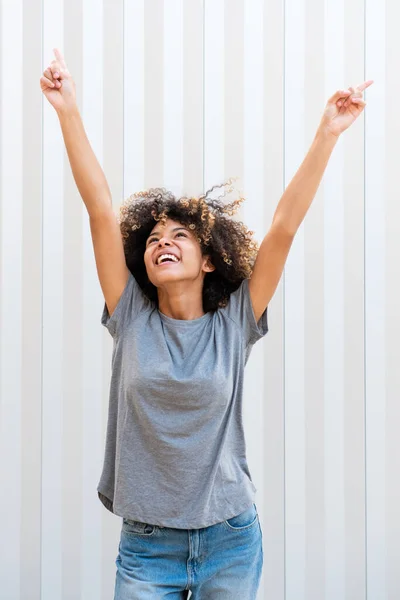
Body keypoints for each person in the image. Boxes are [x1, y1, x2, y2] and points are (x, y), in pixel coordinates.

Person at [40, 48, 373, 600]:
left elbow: (284, 228)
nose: (161, 243)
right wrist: (67, 109)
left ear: (210, 259)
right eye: (151, 239)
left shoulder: (236, 322)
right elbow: (100, 208)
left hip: (231, 539)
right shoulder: (131, 317)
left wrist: (328, 132)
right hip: (148, 548)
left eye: (178, 237)